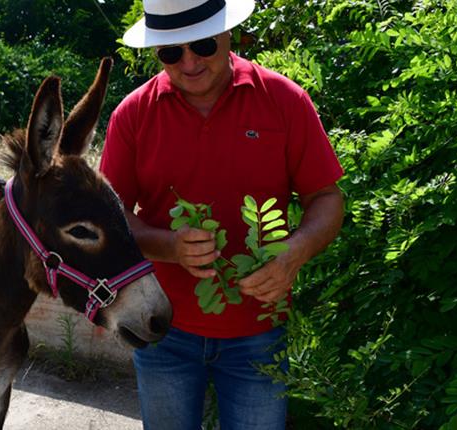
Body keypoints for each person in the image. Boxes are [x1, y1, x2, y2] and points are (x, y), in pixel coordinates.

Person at [99, 0, 345, 428]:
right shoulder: (133, 114)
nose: (189, 62)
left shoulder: (284, 101)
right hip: (162, 327)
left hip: (260, 332)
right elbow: (110, 215)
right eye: (171, 52)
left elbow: (326, 197)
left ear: (228, 34)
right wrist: (168, 246)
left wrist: (295, 251)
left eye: (202, 45)